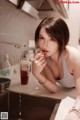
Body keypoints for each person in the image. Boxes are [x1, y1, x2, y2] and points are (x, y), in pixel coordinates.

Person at [32, 17, 80, 119]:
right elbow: (53, 88)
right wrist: (36, 74)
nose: (45, 44)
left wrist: (75, 112)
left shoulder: (74, 57)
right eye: (42, 38)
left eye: (52, 39)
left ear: (61, 39)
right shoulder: (44, 57)